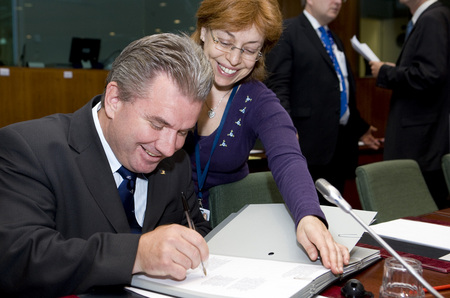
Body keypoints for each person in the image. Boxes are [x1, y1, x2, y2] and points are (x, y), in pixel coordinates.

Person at [0, 33, 214, 297]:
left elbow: (195, 229)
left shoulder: (176, 162)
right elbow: (19, 259)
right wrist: (138, 254)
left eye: (183, 132)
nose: (168, 148)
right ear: (114, 100)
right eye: (158, 124)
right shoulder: (28, 149)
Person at [184, 0, 350, 275]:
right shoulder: (170, 77)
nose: (234, 59)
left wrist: (309, 216)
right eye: (225, 42)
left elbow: (288, 158)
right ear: (203, 31)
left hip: (226, 232)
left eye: (250, 50)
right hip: (157, 220)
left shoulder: (257, 99)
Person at [265, 0, 382, 204]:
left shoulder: (334, 39)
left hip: (339, 148)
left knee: (335, 216)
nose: (338, 2)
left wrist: (359, 127)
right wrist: (285, 129)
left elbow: (338, 91)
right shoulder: (288, 32)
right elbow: (278, 86)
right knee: (308, 215)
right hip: (306, 146)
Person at [369, 0, 450, 209]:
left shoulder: (432, 18)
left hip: (423, 141)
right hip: (427, 137)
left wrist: (386, 72)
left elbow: (430, 75)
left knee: (424, 214)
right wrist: (397, 68)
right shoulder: (433, 17)